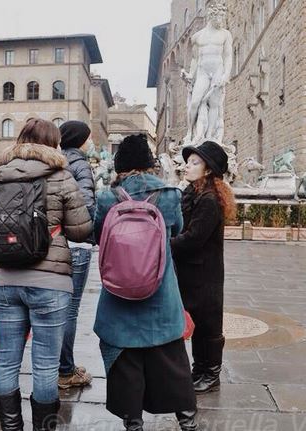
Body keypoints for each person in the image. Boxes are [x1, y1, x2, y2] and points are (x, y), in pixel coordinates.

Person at [0, 119, 92, 431]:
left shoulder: (1, 177)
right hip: (51, 281)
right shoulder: (61, 176)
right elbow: (81, 229)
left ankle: (11, 428)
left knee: (7, 361)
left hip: (7, 279)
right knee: (46, 365)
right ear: (53, 143)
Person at [93, 134, 198, 431]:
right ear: (149, 163)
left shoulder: (107, 197)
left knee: (126, 363)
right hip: (160, 293)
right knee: (171, 360)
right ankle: (187, 422)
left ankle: (134, 424)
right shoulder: (170, 195)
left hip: (118, 293)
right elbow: (176, 230)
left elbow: (98, 236)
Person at [171, 140, 236, 395]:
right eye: (188, 162)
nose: (187, 166)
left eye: (195, 162)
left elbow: (194, 237)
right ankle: (200, 370)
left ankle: (211, 374)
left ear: (208, 169)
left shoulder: (209, 199)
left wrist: (166, 243)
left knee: (208, 324)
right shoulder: (194, 192)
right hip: (191, 271)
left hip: (205, 273)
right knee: (197, 322)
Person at [57, 121, 95, 389]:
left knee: (57, 307)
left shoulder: (57, 161)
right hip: (77, 245)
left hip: (56, 243)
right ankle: (65, 370)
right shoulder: (80, 164)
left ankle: (60, 364)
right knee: (70, 311)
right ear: (81, 139)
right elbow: (86, 205)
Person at [181, 1, 232, 145]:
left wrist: (225, 75)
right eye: (219, 18)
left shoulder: (225, 35)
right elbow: (195, 59)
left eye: (223, 18)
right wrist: (191, 75)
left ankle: (209, 136)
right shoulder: (197, 37)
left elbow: (228, 56)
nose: (222, 21)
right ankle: (190, 132)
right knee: (195, 102)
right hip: (203, 72)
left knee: (214, 104)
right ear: (211, 17)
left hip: (217, 70)